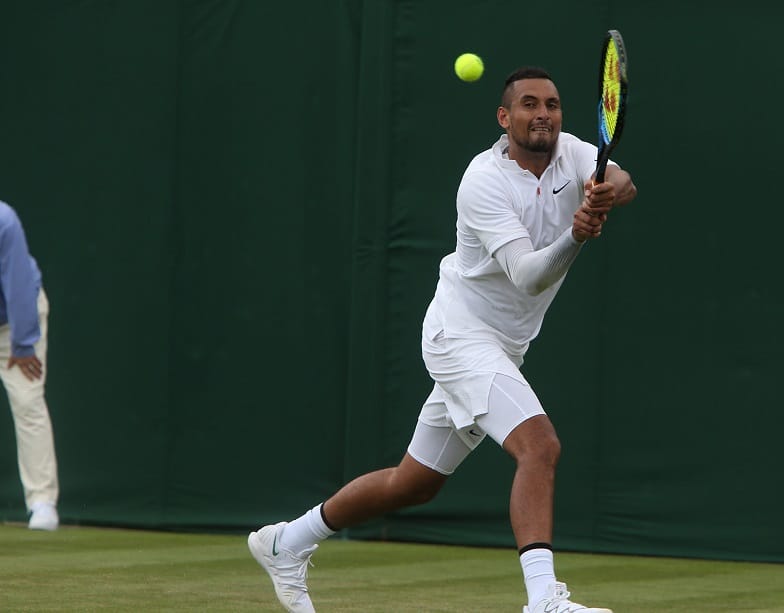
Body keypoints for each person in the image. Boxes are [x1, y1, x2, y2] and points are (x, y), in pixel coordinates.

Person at [249, 66, 637, 613]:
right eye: (528, 104)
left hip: (505, 347)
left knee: (414, 483)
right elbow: (527, 275)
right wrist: (577, 232)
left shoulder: (574, 153)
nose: (542, 114)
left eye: (551, 104)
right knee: (540, 446)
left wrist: (607, 190)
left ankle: (285, 542)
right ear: (505, 119)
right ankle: (544, 599)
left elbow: (625, 182)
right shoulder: (482, 180)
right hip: (460, 336)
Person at [0, 200, 59, 531]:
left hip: (14, 326)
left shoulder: (3, 222)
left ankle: (42, 503)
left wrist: (23, 344)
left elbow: (18, 284)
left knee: (27, 401)